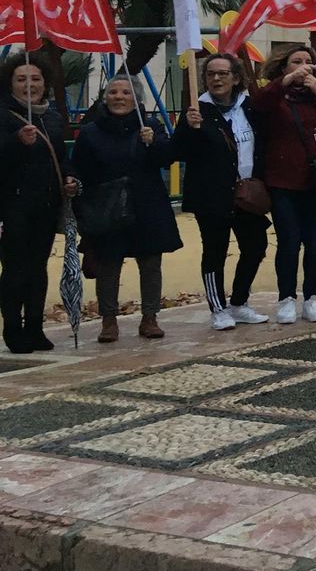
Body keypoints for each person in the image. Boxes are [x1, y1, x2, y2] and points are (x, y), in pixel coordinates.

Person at [74, 77, 182, 343]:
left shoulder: (150, 126)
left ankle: (150, 317)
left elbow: (168, 158)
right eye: (113, 92)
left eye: (126, 92)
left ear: (136, 99)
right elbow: (80, 169)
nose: (119, 97)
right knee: (108, 265)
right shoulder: (90, 131)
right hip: (108, 207)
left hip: (147, 204)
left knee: (150, 264)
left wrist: (153, 143)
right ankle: (108, 321)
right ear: (105, 97)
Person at [254, 44, 316, 324]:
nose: (304, 65)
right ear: (284, 67)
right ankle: (286, 298)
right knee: (289, 242)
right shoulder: (275, 96)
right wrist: (285, 82)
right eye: (296, 61)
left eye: (308, 61)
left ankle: (312, 297)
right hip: (282, 181)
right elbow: (259, 105)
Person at [174, 52, 270, 331]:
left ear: (236, 78)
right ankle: (217, 308)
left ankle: (239, 302)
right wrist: (189, 128)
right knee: (215, 251)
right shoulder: (197, 110)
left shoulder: (249, 106)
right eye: (210, 74)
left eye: (223, 73)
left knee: (256, 246)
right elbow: (177, 152)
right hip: (212, 195)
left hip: (247, 194)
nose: (216, 79)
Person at [0, 55, 78, 353]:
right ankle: (12, 328)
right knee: (15, 269)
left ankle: (35, 326)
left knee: (38, 267)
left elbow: (61, 157)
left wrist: (70, 178)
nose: (29, 85)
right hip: (13, 205)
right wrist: (16, 141)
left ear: (45, 83)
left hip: (46, 206)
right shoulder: (4, 115)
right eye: (21, 79)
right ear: (10, 84)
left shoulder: (52, 117)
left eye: (35, 79)